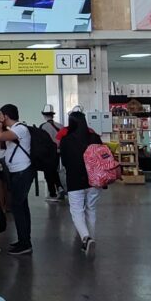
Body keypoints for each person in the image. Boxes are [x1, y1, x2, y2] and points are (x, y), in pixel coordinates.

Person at [58, 109, 104, 256]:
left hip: (75, 180)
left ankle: (86, 238)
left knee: (77, 211)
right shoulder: (95, 137)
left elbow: (64, 162)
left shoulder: (67, 140)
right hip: (95, 179)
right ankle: (91, 238)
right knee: (91, 209)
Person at [0, 104, 34, 256]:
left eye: (1, 115)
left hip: (22, 172)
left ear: (6, 115)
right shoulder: (14, 130)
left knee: (18, 207)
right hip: (17, 172)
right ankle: (23, 240)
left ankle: (25, 243)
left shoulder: (20, 129)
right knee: (21, 207)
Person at [39, 104, 65, 203]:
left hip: (47, 154)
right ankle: (60, 188)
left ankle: (53, 193)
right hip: (58, 153)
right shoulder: (61, 126)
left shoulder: (42, 127)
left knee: (48, 173)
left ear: (44, 115)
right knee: (54, 171)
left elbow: (40, 142)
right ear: (52, 115)